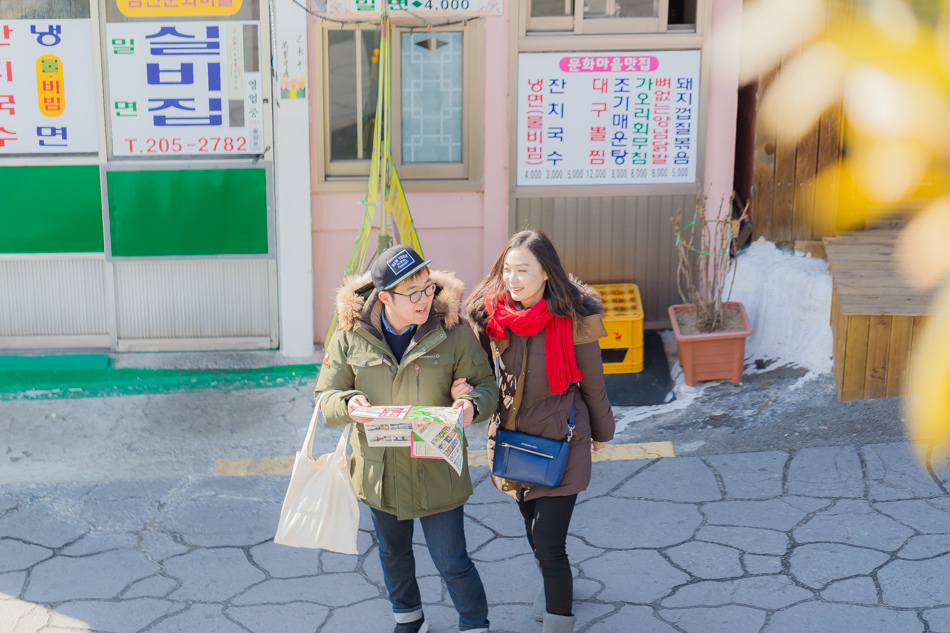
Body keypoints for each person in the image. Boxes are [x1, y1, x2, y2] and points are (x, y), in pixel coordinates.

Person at [314, 245, 498, 633]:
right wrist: (349, 402)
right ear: (384, 297)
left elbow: (485, 385)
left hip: (437, 463)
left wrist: (469, 406)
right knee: (393, 552)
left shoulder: (453, 331)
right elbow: (325, 396)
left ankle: (475, 623)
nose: (425, 300)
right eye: (412, 293)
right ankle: (408, 619)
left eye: (428, 288)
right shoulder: (350, 335)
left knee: (451, 558)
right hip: (379, 470)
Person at [458, 230, 615, 633]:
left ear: (546, 273)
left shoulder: (574, 316)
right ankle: (552, 584)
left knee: (548, 541)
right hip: (513, 437)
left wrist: (603, 431)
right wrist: (462, 388)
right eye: (507, 269)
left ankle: (558, 621)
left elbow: (593, 383)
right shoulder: (491, 315)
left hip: (564, 437)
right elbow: (476, 372)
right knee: (534, 532)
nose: (512, 278)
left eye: (522, 269)